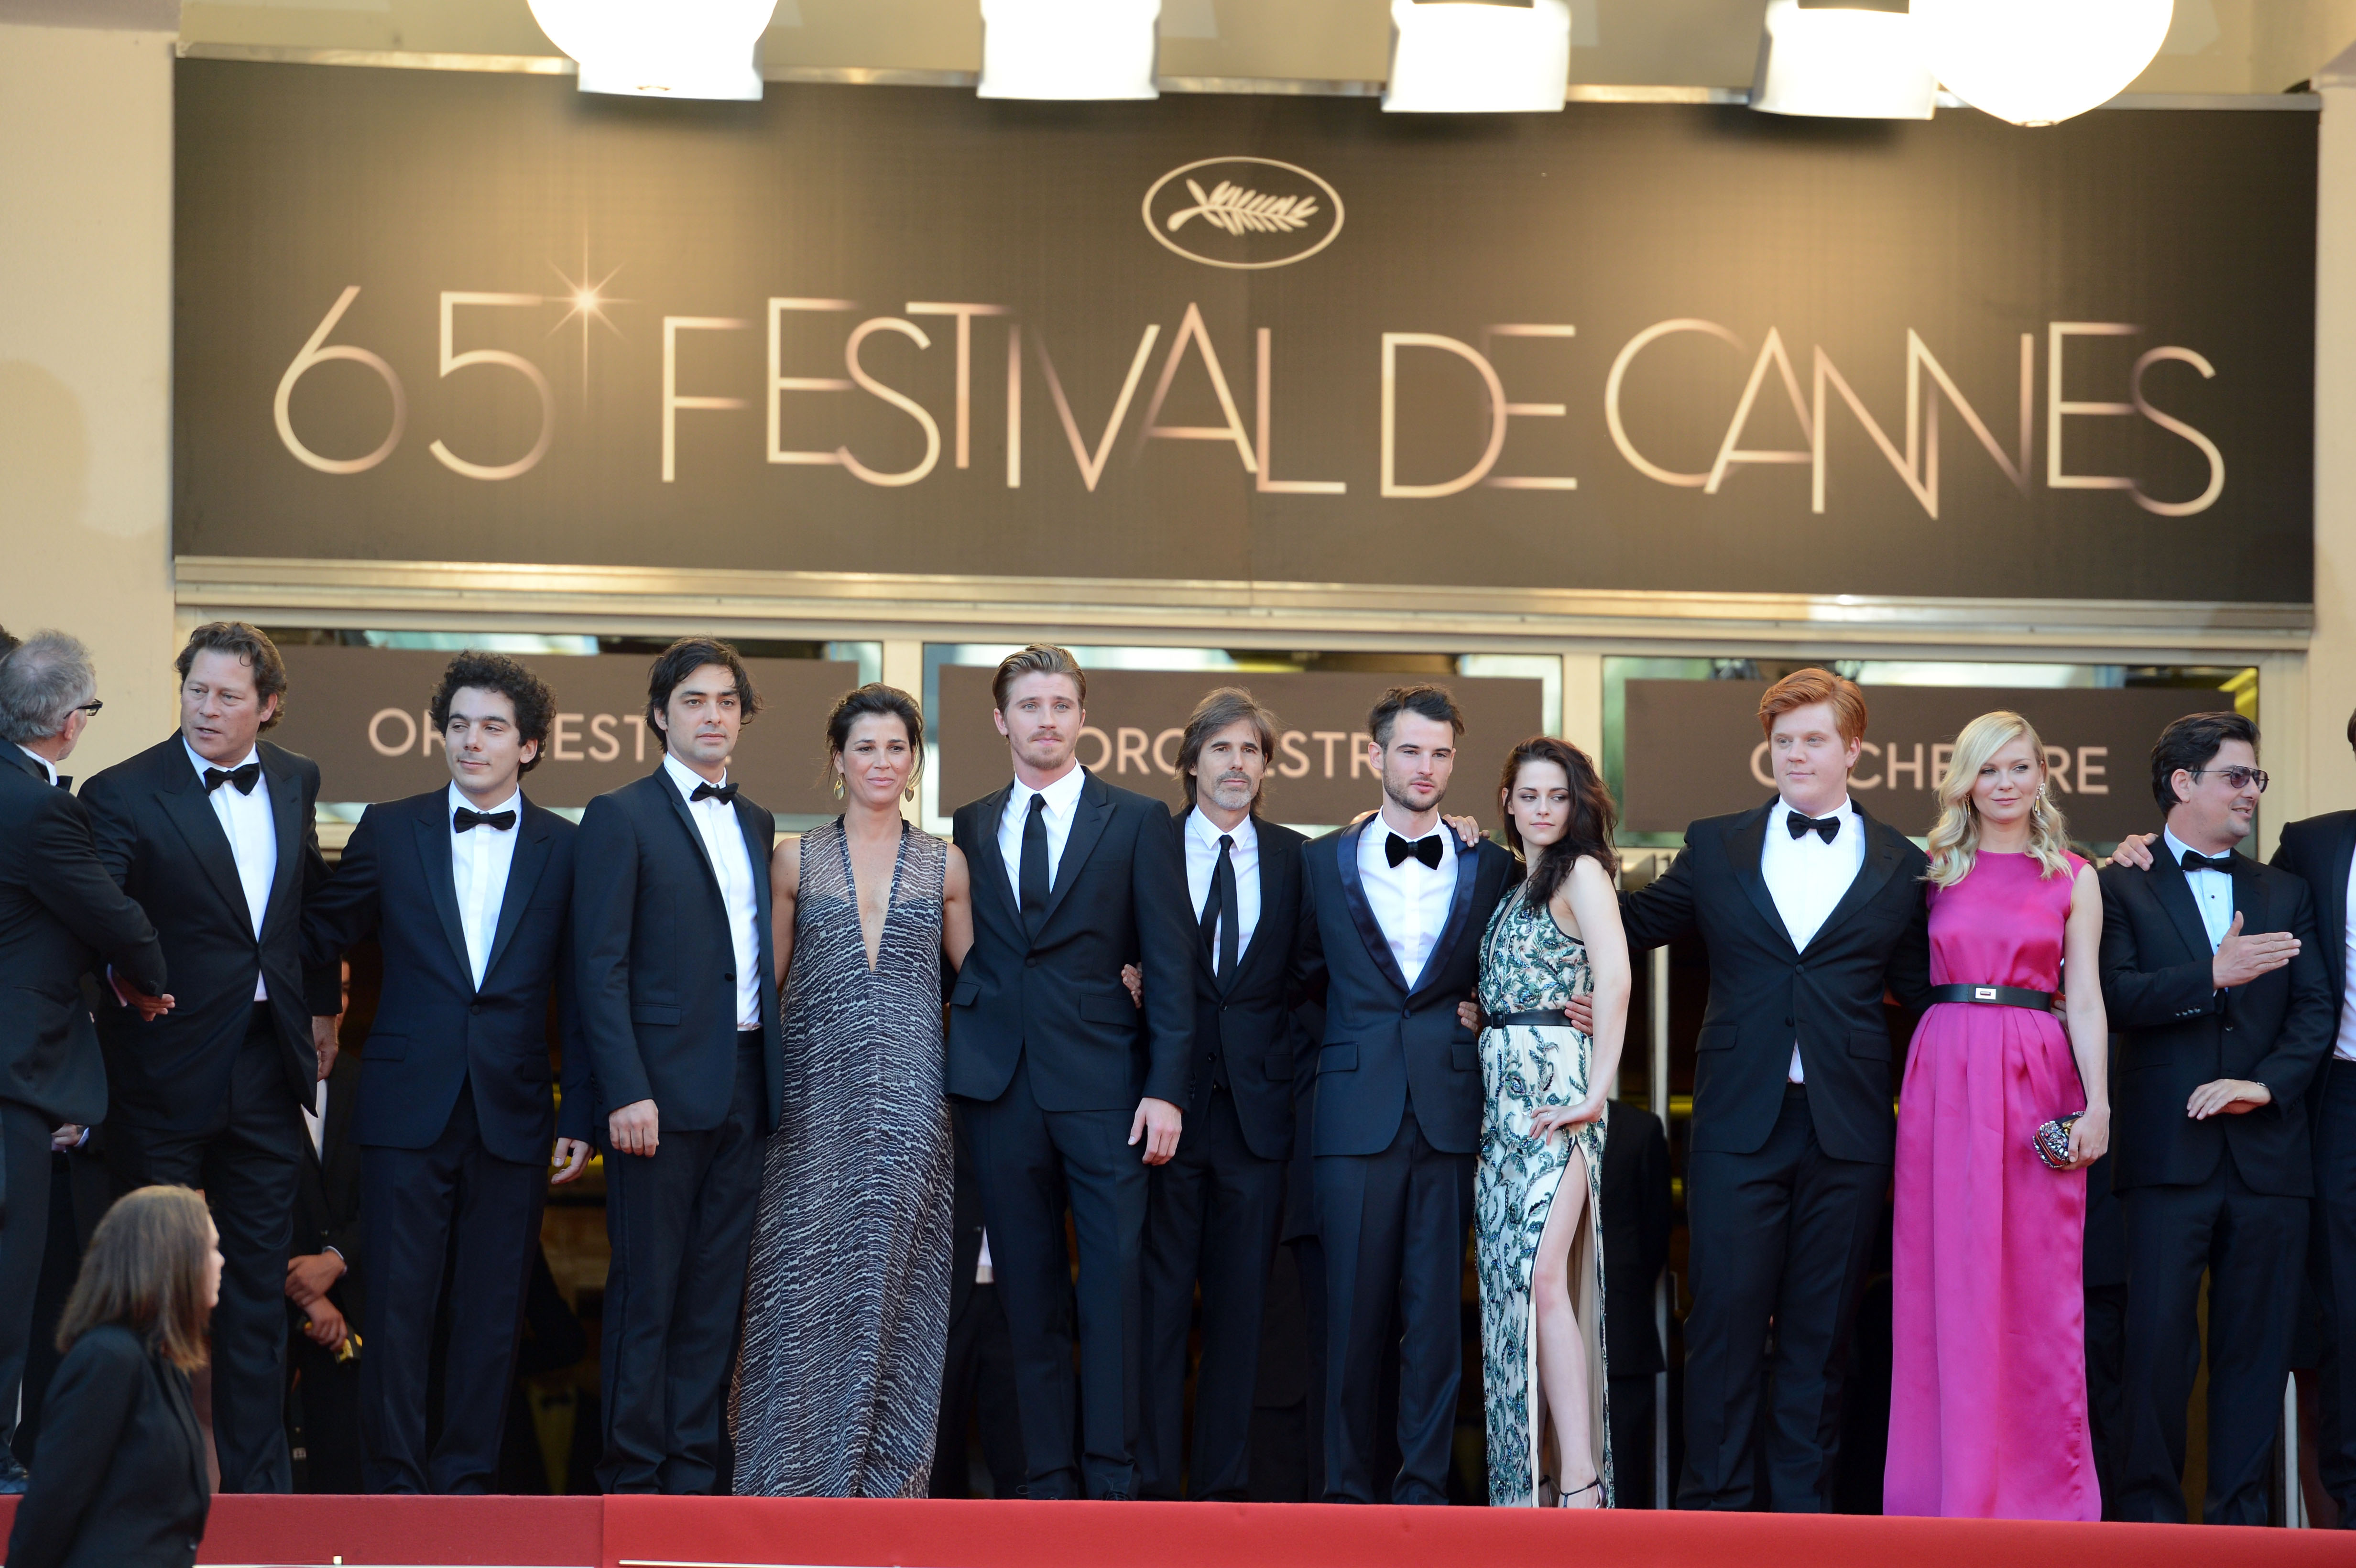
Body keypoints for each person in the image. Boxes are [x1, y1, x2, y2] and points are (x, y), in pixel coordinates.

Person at [1588, 667, 1931, 1511]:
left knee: (1821, 1336)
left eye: (1814, 740)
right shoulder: (1718, 846)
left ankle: (1804, 1529)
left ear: (1854, 749)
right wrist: (1539, 869)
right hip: (1737, 1124)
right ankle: (1713, 1519)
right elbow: (1629, 924)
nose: (1795, 755)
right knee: (1723, 1325)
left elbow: (1930, 988)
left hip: (1849, 1130)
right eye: (1782, 742)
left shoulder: (1904, 863)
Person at [302, 651, 594, 1493]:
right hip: (404, 1102)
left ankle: (465, 1487)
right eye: (459, 725)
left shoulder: (569, 848)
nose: (471, 741)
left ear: (529, 746)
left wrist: (581, 1108)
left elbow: (583, 990)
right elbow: (320, 932)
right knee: (397, 1303)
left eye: (493, 728)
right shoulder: (390, 828)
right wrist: (318, 1012)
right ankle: (394, 1485)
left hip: (514, 1106)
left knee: (493, 1308)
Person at [81, 621, 337, 1494]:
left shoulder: (297, 777)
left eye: (229, 696)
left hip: (265, 1065)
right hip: (161, 1065)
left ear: (268, 706)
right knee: (155, 1286)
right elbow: (99, 909)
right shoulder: (122, 790)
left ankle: (261, 1497)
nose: (207, 709)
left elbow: (304, 903)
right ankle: (147, 1487)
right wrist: (122, 975)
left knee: (259, 1289)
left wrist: (324, 1004)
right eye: (196, 690)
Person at [947, 644, 1195, 1500]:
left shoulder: (1138, 819)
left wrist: (1165, 1088)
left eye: (1059, 705)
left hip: (1107, 1090)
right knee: (1025, 1293)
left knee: (1114, 1287)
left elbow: (1170, 965)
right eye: (1029, 706)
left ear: (1082, 717)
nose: (1045, 720)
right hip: (999, 1089)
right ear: (1001, 720)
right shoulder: (970, 824)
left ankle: (1113, 1478)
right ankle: (1045, 1480)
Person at [732, 684, 973, 1497]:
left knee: (893, 1290)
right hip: (810, 1107)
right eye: (865, 747)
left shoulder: (946, 863)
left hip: (914, 1108)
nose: (881, 761)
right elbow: (761, 993)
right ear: (837, 759)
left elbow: (984, 987)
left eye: (896, 748)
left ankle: (882, 1489)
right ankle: (786, 1484)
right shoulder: (794, 858)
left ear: (914, 762)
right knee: (798, 1286)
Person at [2096, 711, 2332, 1524]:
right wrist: (2210, 974)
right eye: (2236, 776)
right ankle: (2148, 1525)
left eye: (2256, 777)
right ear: (2182, 783)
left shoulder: (2284, 889)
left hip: (2270, 1159)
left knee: (2256, 1355)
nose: (2250, 792)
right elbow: (2111, 998)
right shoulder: (2117, 882)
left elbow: (2316, 1009)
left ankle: (2241, 1527)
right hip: (2165, 1155)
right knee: (2156, 1349)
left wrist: (2265, 1086)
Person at [1881, 711, 2110, 1519]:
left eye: (2018, 767)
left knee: (2037, 1283)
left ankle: (2039, 1500)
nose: (2004, 783)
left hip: (2035, 1069)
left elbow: (2085, 997)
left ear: (2042, 775)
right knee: (1942, 1280)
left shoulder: (2075, 876)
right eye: (1988, 769)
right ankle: (1943, 1495)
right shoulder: (1928, 871)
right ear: (1964, 781)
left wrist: (2097, 1105)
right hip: (1944, 1065)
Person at [1296, 684, 1520, 1505]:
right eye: (1410, 751)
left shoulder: (1491, 864)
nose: (1425, 767)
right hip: (1351, 1115)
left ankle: (1422, 1492)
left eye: (1440, 754)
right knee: (1349, 1318)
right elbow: (1292, 979)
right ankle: (1344, 1494)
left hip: (1451, 1113)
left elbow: (1515, 967)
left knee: (1433, 1320)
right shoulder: (1318, 862)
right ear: (1375, 756)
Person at [573, 637, 781, 1495]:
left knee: (714, 1297)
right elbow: (599, 967)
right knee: (647, 1293)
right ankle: (631, 1478)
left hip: (747, 1084)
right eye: (694, 700)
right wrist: (624, 1090)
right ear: (661, 715)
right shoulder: (618, 814)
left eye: (727, 701)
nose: (713, 716)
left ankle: (694, 1479)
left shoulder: (759, 821)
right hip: (655, 1095)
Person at [0, 631, 169, 1492]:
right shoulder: (37, 809)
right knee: (11, 1277)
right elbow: (118, 919)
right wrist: (145, 977)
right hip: (13, 1075)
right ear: (70, 723)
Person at [1136, 687, 1313, 1502]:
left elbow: (1311, 976)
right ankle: (1149, 1492)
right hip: (1163, 1114)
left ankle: (1220, 1498)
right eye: (1221, 749)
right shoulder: (1147, 844)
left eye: (1250, 751)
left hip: (1256, 1121)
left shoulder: (1296, 859)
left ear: (1266, 767)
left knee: (1242, 1318)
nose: (1236, 764)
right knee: (1159, 1310)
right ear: (1191, 762)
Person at [1469, 736, 1629, 1507]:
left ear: (1576, 806)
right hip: (1501, 1107)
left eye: (1557, 797)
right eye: (1528, 796)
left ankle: (1580, 1483)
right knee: (1512, 1290)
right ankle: (1525, 1485)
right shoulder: (1513, 886)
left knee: (1541, 1276)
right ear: (1507, 802)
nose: (1542, 810)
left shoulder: (1581, 872)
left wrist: (1597, 1091)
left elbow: (1616, 978)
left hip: (1558, 1100)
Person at [5, 1185, 217, 1568]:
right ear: (170, 1259)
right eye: (211, 1248)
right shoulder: (108, 1358)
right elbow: (51, 1506)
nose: (221, 1261)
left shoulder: (161, 1361)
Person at [2264, 711, 2356, 1528]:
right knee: (2341, 1304)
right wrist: (2143, 859)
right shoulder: (2314, 845)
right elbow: (2242, 912)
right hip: (2341, 1101)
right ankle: (2345, 1503)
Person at [284, 961, 361, 1493]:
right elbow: (230, 1201)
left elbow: (394, 1199)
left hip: (357, 1318)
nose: (337, 1004)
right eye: (325, 989)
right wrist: (306, 1294)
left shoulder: (372, 1082)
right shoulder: (251, 1080)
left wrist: (336, 1260)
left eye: (346, 991)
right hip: (265, 1314)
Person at [1597, 1099, 1671, 1510]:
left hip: (1623, 1337)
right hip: (1546, 1335)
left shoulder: (1641, 1130)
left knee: (1624, 1484)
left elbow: (1656, 1235)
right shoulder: (1524, 1120)